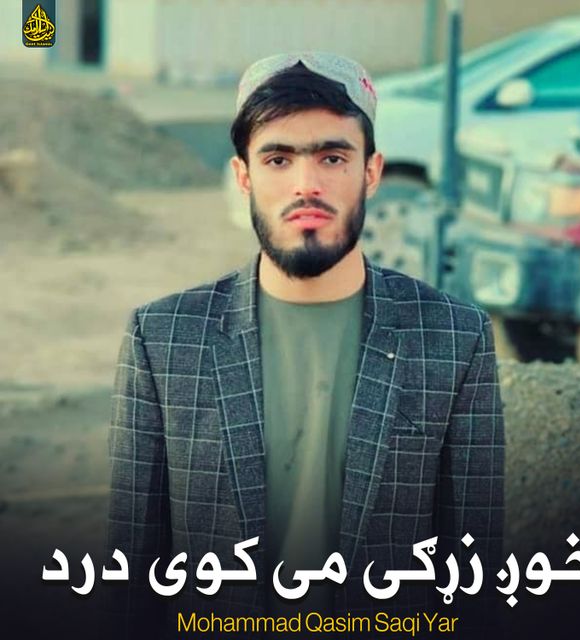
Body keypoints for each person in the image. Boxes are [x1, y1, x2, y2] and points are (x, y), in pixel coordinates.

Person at [105, 52, 504, 639]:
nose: (306, 184)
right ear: (244, 175)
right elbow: (131, 574)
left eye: (332, 157)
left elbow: (475, 576)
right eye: (278, 158)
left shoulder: (453, 336)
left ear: (371, 172)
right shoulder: (163, 338)